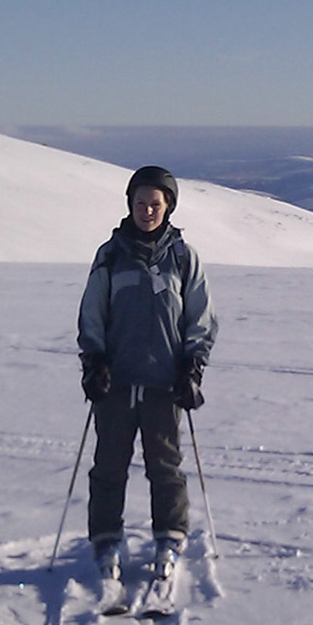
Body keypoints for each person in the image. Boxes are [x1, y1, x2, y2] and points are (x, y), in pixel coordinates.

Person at [76, 165, 219, 589]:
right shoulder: (110, 254)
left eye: (155, 203)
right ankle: (106, 541)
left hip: (163, 384)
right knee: (108, 467)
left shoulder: (183, 257)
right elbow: (92, 313)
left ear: (168, 206)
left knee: (166, 467)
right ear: (130, 205)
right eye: (140, 203)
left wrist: (192, 366)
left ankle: (169, 539)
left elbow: (201, 317)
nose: (147, 210)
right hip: (116, 384)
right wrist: (94, 362)